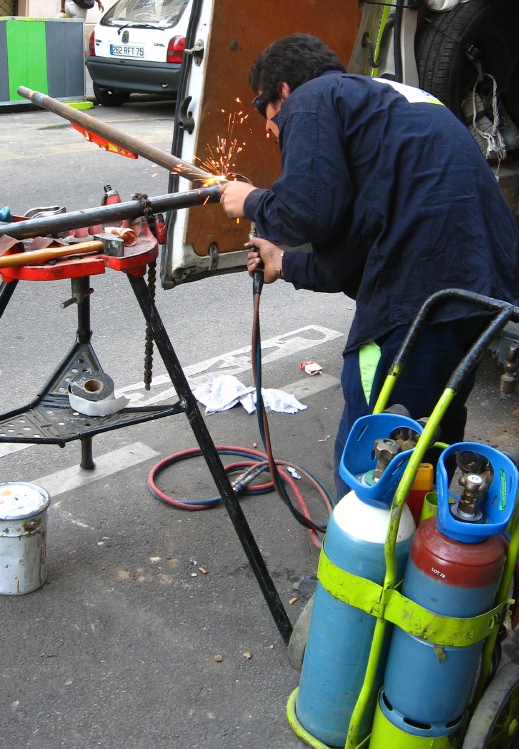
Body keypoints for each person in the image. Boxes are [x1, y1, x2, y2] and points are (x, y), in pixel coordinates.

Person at [219, 33, 519, 501]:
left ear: (283, 90)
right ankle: (429, 542)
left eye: (265, 111)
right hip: (480, 296)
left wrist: (251, 200)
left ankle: (366, 549)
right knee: (432, 441)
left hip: (419, 304)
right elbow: (350, 255)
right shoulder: (389, 105)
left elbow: (307, 212)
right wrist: (284, 263)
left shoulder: (311, 98)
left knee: (372, 455)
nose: (270, 129)